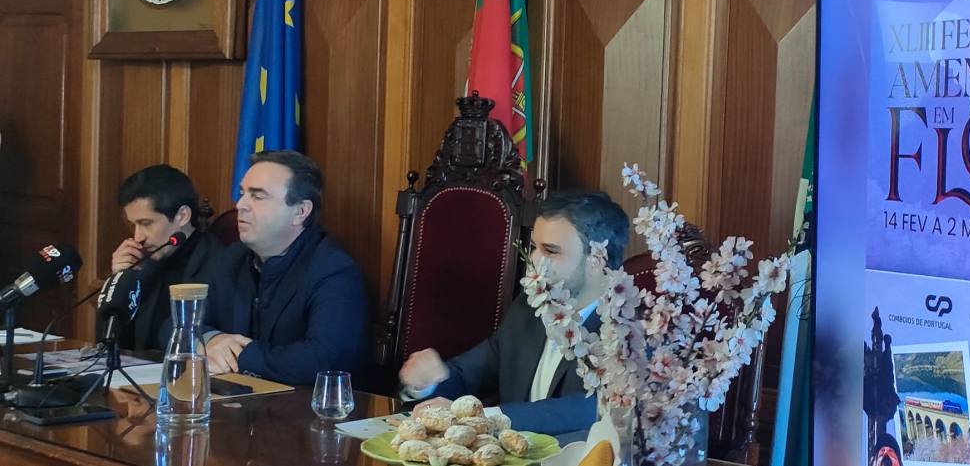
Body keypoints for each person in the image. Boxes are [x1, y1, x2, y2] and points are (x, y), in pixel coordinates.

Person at [398, 192, 629, 436]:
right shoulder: (528, 309)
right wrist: (425, 383)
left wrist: (486, 418)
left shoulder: (628, 329)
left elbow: (588, 409)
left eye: (551, 251)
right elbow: (469, 374)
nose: (534, 261)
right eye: (534, 248)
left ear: (597, 259)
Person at [201, 150, 369, 385]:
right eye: (242, 194)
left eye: (258, 196)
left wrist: (237, 355)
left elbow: (323, 361)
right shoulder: (233, 257)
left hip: (303, 405)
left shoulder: (334, 270)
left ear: (300, 212)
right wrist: (211, 339)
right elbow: (175, 321)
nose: (240, 205)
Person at [104, 165, 223, 351]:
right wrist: (120, 281)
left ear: (182, 216)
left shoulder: (219, 264)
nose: (138, 237)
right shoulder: (142, 261)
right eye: (133, 225)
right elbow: (108, 346)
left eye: (146, 223)